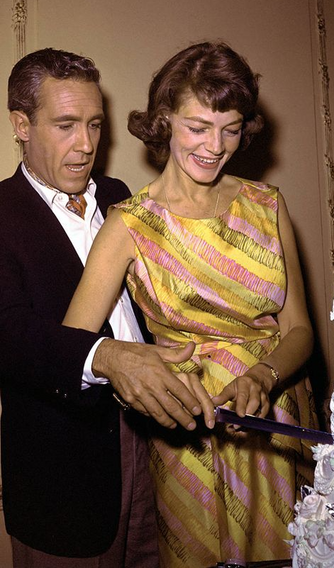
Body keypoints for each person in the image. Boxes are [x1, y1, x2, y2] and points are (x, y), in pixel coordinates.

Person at [63, 41, 317, 566]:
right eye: (198, 127)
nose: (216, 146)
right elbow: (74, 348)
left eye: (230, 128)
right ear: (164, 120)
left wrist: (264, 377)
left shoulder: (267, 204)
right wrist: (143, 384)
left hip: (276, 425)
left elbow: (300, 330)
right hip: (189, 437)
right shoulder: (128, 223)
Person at [0, 47, 215, 568]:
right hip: (62, 479)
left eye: (95, 125)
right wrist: (107, 357)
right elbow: (9, 335)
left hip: (155, 450)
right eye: (66, 125)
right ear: (20, 125)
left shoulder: (119, 195)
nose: (86, 145)